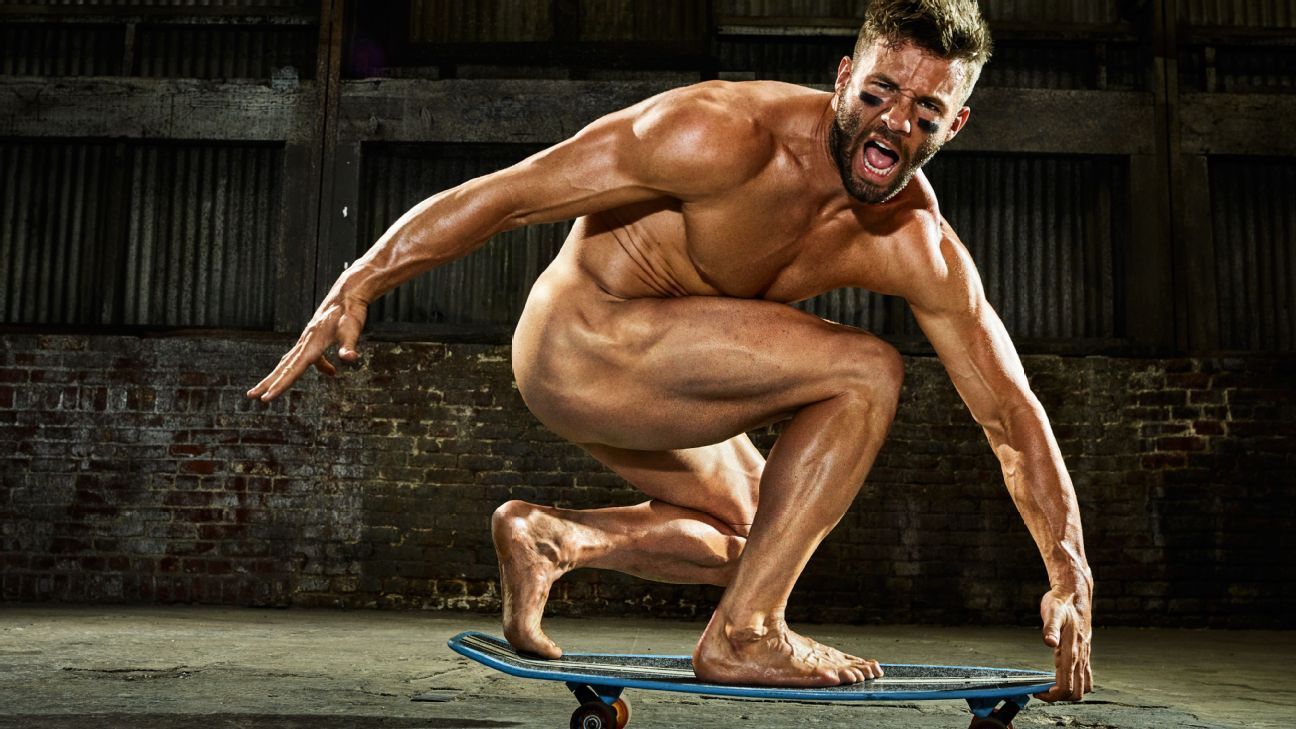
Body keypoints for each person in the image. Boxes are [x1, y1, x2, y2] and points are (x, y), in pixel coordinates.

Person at [247, 0, 1092, 700]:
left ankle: (555, 540)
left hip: (665, 374)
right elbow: (505, 197)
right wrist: (357, 283)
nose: (893, 123)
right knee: (867, 368)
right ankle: (749, 633)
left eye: (924, 112)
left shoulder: (918, 242)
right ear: (844, 78)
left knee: (764, 536)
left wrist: (1067, 568)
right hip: (580, 338)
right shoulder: (718, 133)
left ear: (956, 123)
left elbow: (1010, 410)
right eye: (879, 92)